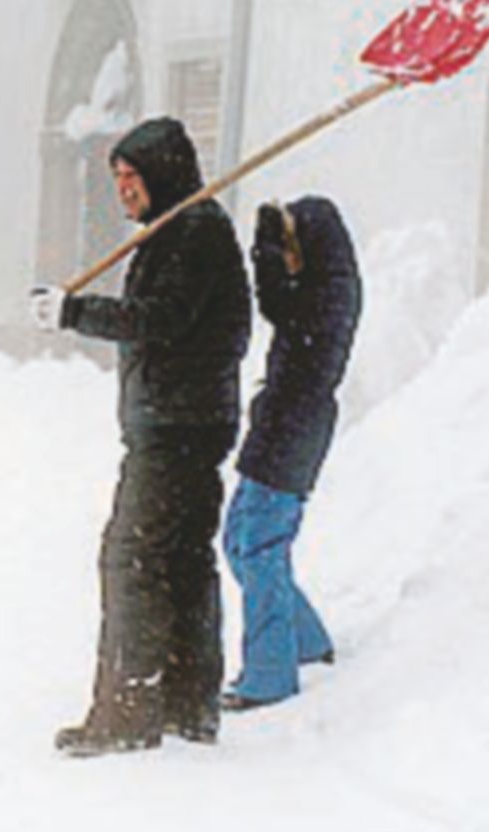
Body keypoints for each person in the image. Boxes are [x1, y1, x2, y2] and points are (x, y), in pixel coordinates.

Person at [30, 117, 250, 755]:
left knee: (131, 558)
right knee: (179, 560)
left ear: (165, 174)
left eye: (133, 176)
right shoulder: (180, 229)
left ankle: (129, 713)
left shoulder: (195, 231)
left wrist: (76, 312)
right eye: (118, 177)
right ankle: (187, 704)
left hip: (178, 428)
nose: (123, 188)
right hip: (186, 422)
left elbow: (163, 319)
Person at [221, 196, 361, 710]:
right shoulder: (324, 285)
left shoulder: (331, 292)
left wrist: (263, 252)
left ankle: (269, 677)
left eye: (290, 243)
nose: (287, 254)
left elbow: (279, 307)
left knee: (260, 547)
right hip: (280, 424)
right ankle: (305, 639)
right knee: (239, 540)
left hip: (294, 430)